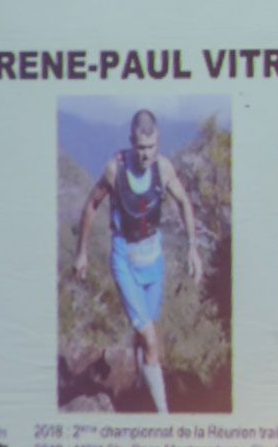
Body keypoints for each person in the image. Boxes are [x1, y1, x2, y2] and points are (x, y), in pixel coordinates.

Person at [73, 109, 202, 414]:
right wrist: (82, 252)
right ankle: (163, 416)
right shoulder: (115, 171)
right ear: (131, 142)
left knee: (145, 331)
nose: (146, 154)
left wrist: (192, 247)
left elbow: (184, 201)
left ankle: (141, 384)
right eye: (141, 147)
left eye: (151, 147)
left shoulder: (164, 169)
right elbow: (91, 204)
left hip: (153, 260)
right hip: (125, 260)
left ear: (158, 142)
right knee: (151, 340)